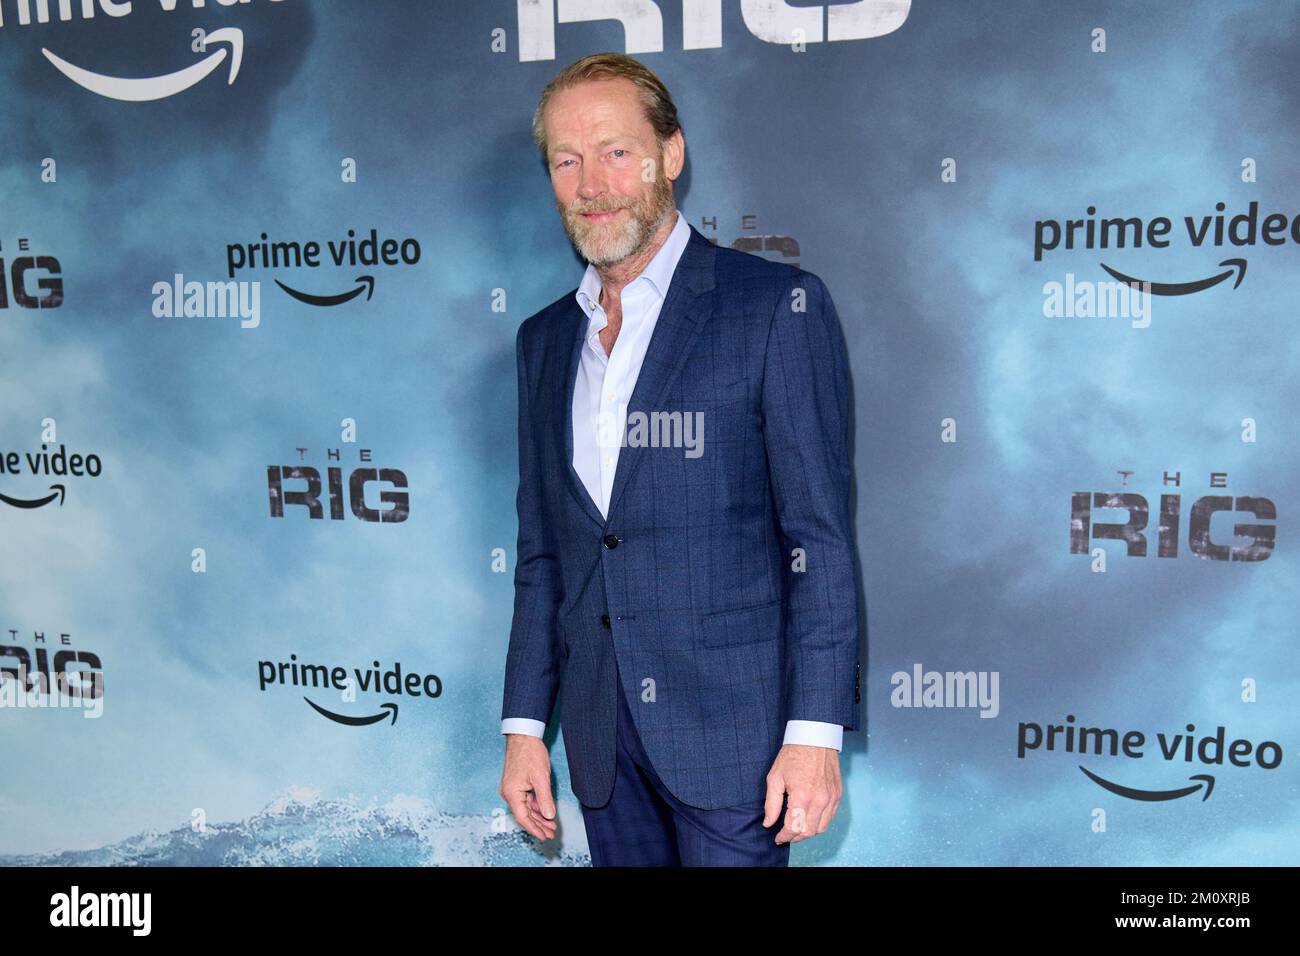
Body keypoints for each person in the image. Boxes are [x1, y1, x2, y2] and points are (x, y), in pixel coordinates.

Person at [498, 52, 862, 866]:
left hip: (737, 742)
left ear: (671, 154)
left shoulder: (773, 309)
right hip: (600, 741)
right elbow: (545, 555)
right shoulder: (544, 342)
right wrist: (525, 728)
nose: (592, 182)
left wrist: (815, 734)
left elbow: (820, 538)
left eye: (616, 152)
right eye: (567, 160)